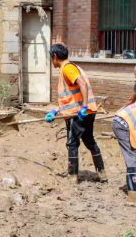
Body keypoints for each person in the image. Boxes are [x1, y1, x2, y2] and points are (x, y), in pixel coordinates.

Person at [45, 43, 107, 184]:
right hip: (86, 111)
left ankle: (72, 176)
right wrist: (55, 111)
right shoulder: (73, 67)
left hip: (78, 114)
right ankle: (102, 173)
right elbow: (70, 98)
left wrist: (83, 107)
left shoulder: (67, 68)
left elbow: (82, 84)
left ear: (55, 57)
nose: (51, 61)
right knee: (89, 141)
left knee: (72, 143)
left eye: (51, 58)